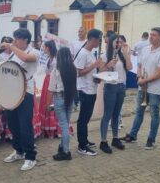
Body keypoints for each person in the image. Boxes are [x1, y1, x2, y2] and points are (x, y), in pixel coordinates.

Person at [121, 27, 160, 150]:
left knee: (154, 114)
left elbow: (159, 73)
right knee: (139, 112)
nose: (151, 37)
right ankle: (133, 135)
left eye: (154, 35)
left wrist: (144, 80)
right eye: (150, 34)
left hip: (155, 89)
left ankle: (151, 139)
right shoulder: (145, 49)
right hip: (143, 87)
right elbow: (140, 65)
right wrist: (138, 77)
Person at [1, 28, 39, 171]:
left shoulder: (34, 52)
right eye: (14, 38)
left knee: (25, 126)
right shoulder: (13, 55)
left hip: (26, 92)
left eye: (17, 39)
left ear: (25, 40)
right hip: (11, 93)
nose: (15, 41)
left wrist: (11, 47)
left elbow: (26, 59)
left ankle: (30, 157)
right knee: (13, 125)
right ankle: (18, 151)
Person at [98, 35, 133, 154]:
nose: (119, 44)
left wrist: (126, 53)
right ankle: (103, 141)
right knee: (107, 114)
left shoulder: (122, 55)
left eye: (121, 42)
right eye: (117, 42)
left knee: (116, 114)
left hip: (121, 86)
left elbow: (130, 67)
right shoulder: (104, 55)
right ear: (111, 42)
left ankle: (115, 138)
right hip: (110, 86)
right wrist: (108, 65)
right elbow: (99, 71)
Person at [74, 28, 103, 156]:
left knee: (86, 118)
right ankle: (82, 146)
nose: (100, 42)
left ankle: (84, 140)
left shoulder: (91, 52)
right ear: (93, 39)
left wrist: (96, 78)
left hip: (92, 88)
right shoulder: (83, 53)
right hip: (84, 90)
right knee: (83, 119)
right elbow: (78, 73)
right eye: (99, 39)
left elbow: (90, 72)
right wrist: (94, 65)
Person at [46, 47, 77, 160]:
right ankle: (62, 146)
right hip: (70, 98)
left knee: (64, 126)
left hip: (59, 98)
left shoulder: (56, 70)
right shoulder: (74, 69)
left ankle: (66, 151)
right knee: (66, 124)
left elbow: (50, 89)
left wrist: (47, 104)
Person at [39, 40, 59, 138]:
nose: (43, 49)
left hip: (52, 81)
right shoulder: (49, 58)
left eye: (44, 47)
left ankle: (53, 127)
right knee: (46, 102)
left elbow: (55, 73)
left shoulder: (55, 59)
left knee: (51, 102)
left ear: (48, 48)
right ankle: (47, 127)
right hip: (47, 80)